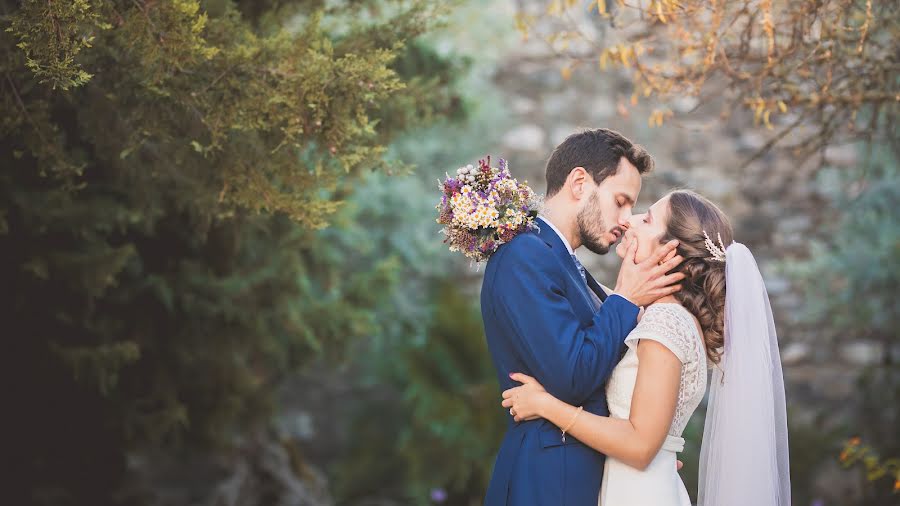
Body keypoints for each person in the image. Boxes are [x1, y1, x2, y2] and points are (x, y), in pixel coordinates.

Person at [502, 190, 791, 506]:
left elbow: (640, 446)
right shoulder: (659, 317)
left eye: (647, 218)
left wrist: (545, 405)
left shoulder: (664, 323)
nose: (629, 220)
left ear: (670, 252)